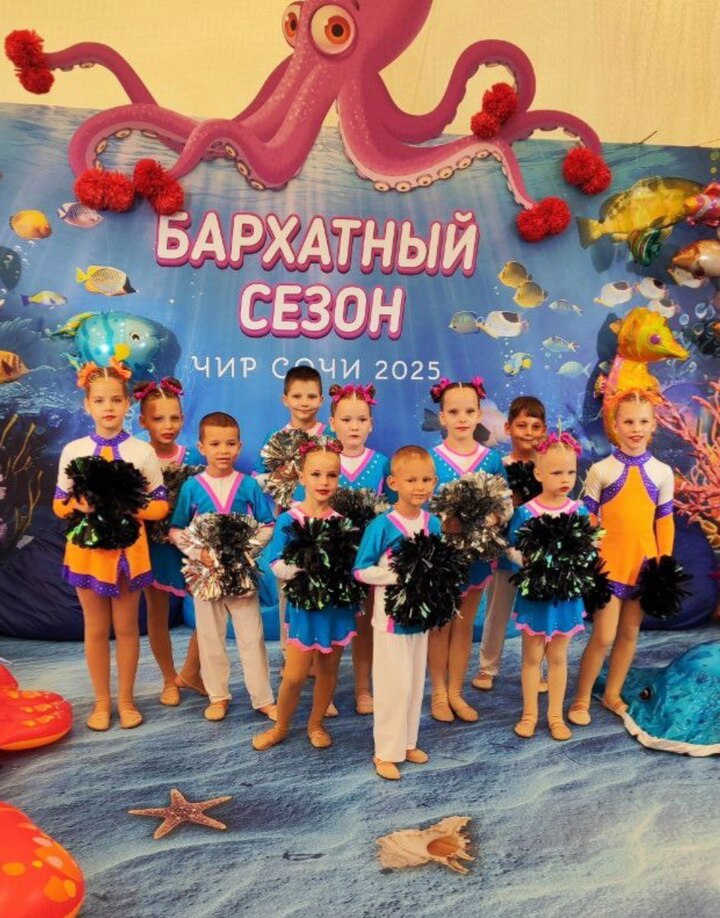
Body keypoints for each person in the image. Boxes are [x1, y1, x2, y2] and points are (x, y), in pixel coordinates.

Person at [53, 359, 168, 731]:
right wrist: (80, 504)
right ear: (87, 404)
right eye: (100, 400)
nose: (108, 407)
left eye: (116, 400)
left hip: (128, 553)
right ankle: (102, 702)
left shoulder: (141, 452)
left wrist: (127, 504)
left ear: (127, 404)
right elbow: (59, 504)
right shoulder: (74, 451)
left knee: (128, 628)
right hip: (87, 554)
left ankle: (127, 700)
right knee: (95, 628)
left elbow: (161, 505)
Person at [568, 390, 674, 726]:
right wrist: (590, 555)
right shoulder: (601, 470)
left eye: (643, 421)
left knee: (630, 632)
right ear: (615, 425)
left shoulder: (662, 472)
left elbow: (664, 521)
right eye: (628, 421)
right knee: (603, 635)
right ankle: (581, 698)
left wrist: (663, 564)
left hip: (644, 566)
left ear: (654, 425)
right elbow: (589, 518)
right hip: (609, 565)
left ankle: (612, 693)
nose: (636, 428)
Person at [252, 438, 358, 752]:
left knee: (328, 671)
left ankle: (316, 723)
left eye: (331, 475)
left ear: (339, 478)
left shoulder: (342, 523)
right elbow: (276, 564)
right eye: (316, 474)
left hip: (335, 609)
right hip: (304, 610)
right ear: (301, 477)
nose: (324, 482)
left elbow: (351, 565)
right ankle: (280, 726)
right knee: (295, 675)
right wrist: (306, 564)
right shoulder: (289, 519)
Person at [169, 412, 276, 723]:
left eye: (230, 443)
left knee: (251, 637)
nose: (223, 450)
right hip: (206, 577)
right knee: (210, 636)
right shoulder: (192, 487)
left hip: (241, 575)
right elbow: (176, 529)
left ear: (239, 446)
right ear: (202, 447)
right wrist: (198, 552)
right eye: (215, 444)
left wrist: (245, 551)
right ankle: (218, 696)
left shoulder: (248, 485)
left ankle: (263, 698)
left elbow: (268, 524)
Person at [354, 446, 439, 780]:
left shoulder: (433, 523)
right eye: (411, 480)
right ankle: (386, 752)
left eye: (426, 480)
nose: (419, 487)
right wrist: (400, 575)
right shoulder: (382, 525)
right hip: (390, 619)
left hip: (420, 618)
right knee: (394, 686)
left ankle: (407, 742)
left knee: (416, 683)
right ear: (393, 483)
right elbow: (361, 570)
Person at [428, 377, 506, 723]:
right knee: (440, 625)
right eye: (454, 411)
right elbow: (419, 508)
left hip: (476, 559)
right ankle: (438, 693)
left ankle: (456, 692)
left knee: (463, 625)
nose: (462, 418)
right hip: (440, 558)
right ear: (442, 416)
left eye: (469, 411)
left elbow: (503, 504)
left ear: (478, 415)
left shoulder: (491, 460)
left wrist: (490, 518)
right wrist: (443, 524)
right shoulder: (431, 459)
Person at [508, 433, 588, 741]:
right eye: (556, 472)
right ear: (539, 473)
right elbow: (511, 547)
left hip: (566, 597)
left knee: (558, 657)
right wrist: (526, 561)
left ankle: (555, 715)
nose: (565, 479)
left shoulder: (578, 511)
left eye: (570, 472)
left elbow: (588, 550)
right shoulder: (526, 512)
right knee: (532, 657)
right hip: (536, 596)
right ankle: (529, 714)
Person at [134, 376, 205, 705]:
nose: (168, 425)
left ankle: (190, 672)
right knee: (157, 612)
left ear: (183, 418)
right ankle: (168, 678)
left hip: (190, 548)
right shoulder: (137, 457)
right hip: (153, 548)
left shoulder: (192, 458)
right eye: (158, 418)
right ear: (143, 421)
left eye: (174, 418)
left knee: (211, 608)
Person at [473, 395, 547, 692]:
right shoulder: (500, 466)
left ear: (543, 430)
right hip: (505, 550)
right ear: (508, 427)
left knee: (536, 614)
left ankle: (535, 669)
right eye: (522, 425)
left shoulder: (547, 467)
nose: (528, 432)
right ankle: (487, 667)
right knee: (497, 611)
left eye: (535, 426)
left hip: (538, 553)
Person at [328, 382, 392, 715]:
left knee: (365, 627)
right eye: (346, 419)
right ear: (332, 423)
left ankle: (363, 689)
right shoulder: (325, 461)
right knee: (334, 625)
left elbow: (393, 516)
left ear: (371, 424)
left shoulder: (381, 464)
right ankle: (326, 691)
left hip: (368, 562)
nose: (354, 427)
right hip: (332, 561)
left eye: (361, 420)